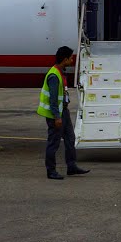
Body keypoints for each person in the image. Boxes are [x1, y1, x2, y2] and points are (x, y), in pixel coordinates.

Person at [38, 46, 89, 180]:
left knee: (70, 139)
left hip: (63, 111)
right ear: (65, 59)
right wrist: (57, 117)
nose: (72, 61)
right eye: (70, 58)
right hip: (56, 114)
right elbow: (53, 99)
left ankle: (71, 166)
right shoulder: (54, 75)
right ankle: (51, 171)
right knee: (53, 143)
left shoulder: (60, 72)